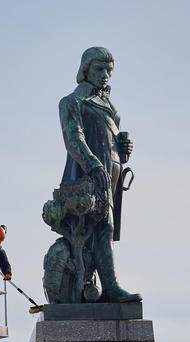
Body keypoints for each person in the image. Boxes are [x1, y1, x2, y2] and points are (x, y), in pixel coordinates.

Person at [58, 47, 141, 303]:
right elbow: (74, 139)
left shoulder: (110, 105)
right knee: (99, 227)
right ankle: (104, 287)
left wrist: (123, 149)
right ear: (85, 69)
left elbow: (109, 143)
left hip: (112, 173)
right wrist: (93, 165)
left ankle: (105, 286)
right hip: (88, 175)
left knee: (106, 228)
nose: (105, 75)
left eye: (109, 70)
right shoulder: (72, 101)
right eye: (99, 69)